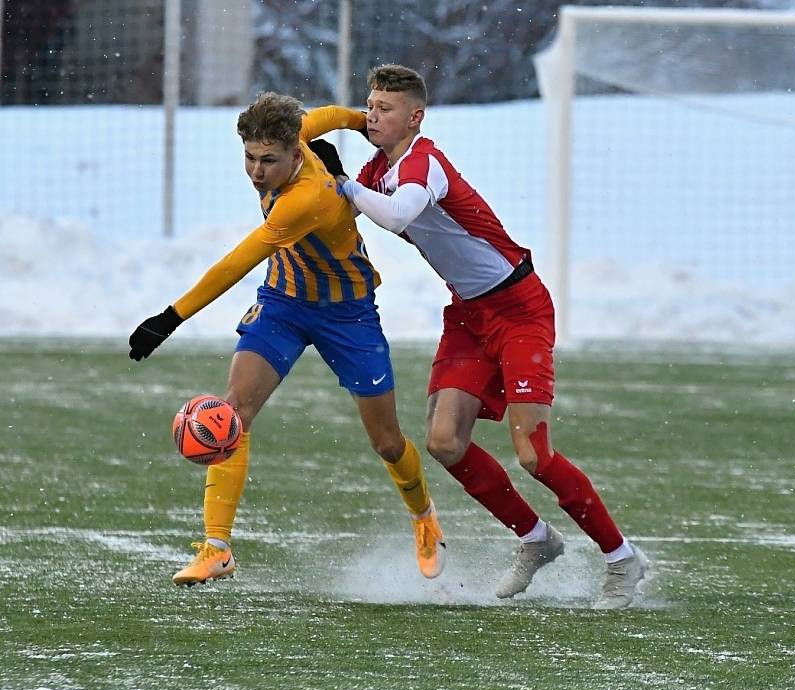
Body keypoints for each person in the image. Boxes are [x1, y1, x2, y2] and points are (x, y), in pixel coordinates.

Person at [310, 65, 648, 609]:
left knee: (534, 455)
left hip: (519, 311)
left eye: (385, 108)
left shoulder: (425, 162)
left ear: (415, 117)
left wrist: (341, 182)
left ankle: (621, 559)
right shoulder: (378, 169)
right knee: (445, 441)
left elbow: (397, 216)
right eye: (368, 105)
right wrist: (318, 165)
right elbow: (347, 193)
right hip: (469, 314)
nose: (372, 115)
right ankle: (537, 540)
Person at [128, 92, 445, 586]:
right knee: (231, 415)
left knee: (386, 442)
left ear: (296, 155)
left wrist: (170, 317)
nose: (256, 171)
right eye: (249, 158)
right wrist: (363, 125)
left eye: (268, 161)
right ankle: (217, 547)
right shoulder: (299, 131)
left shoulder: (304, 199)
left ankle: (423, 516)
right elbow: (336, 116)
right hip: (285, 303)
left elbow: (236, 262)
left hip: (348, 314)